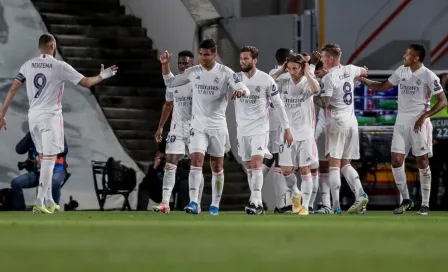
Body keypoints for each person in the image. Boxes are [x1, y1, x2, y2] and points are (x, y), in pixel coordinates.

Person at [0, 33, 118, 214]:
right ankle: (40, 201)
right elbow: (86, 82)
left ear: (40, 47)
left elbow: (12, 90)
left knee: (42, 157)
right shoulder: (59, 66)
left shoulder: (28, 65)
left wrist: (2, 115)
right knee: (50, 159)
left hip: (33, 117)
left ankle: (48, 199)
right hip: (50, 117)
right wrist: (103, 75)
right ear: (53, 46)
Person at [160, 39, 249, 215]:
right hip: (198, 125)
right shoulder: (193, 72)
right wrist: (165, 65)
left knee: (217, 166)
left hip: (217, 126)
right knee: (196, 160)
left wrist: (240, 91)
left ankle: (215, 204)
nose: (203, 57)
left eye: (206, 54)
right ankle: (194, 202)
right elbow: (170, 83)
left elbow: (243, 87)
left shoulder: (225, 72)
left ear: (214, 54)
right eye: (200, 54)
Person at [358, 43, 448, 215]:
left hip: (419, 124)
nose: (404, 56)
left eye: (407, 54)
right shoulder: (402, 71)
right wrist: (364, 80)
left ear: (416, 58)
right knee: (396, 161)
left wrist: (424, 116)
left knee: (422, 161)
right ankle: (406, 199)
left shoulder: (428, 76)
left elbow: (443, 101)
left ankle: (425, 203)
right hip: (401, 122)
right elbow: (383, 86)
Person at [236, 46, 292, 215]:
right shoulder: (235, 78)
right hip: (242, 129)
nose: (243, 61)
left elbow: (279, 105)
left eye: (246, 59)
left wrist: (287, 128)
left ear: (255, 60)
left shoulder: (266, 79)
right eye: (241, 59)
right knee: (249, 168)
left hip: (260, 127)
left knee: (256, 163)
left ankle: (256, 202)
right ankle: (256, 200)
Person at [317, 43, 369, 214]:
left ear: (331, 59)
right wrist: (360, 75)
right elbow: (364, 71)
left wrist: (313, 95)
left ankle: (336, 205)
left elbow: (325, 103)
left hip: (337, 123)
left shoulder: (328, 78)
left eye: (323, 57)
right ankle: (361, 195)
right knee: (346, 164)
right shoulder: (350, 69)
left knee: (334, 165)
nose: (321, 60)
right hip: (352, 123)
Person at [152, 50, 204, 214]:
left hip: (195, 127)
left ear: (192, 64)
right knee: (170, 163)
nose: (182, 66)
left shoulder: (198, 81)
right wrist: (160, 127)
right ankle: (165, 202)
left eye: (186, 63)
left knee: (196, 165)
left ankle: (196, 202)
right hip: (177, 127)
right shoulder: (173, 82)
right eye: (180, 63)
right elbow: (168, 105)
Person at [271, 54, 321, 215]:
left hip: (304, 133)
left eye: (295, 68)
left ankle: (305, 206)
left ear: (302, 67)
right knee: (286, 171)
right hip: (286, 133)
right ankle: (295, 193)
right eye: (290, 68)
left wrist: (307, 72)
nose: (292, 71)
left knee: (305, 169)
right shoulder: (283, 80)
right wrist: (281, 70)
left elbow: (316, 89)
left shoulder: (308, 81)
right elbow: (266, 82)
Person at [266, 48, 294, 213]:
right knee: (280, 163)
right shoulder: (275, 73)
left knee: (272, 162)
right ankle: (282, 204)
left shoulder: (284, 74)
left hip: (280, 125)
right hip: (278, 126)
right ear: (287, 59)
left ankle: (255, 198)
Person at [11, 132, 68, 211]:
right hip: (38, 172)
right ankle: (20, 212)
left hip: (57, 170)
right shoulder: (33, 134)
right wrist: (30, 135)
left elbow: (64, 150)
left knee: (53, 183)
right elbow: (19, 150)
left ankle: (53, 209)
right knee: (16, 183)